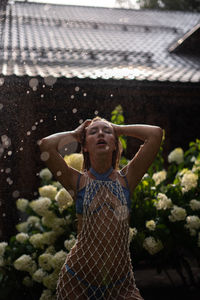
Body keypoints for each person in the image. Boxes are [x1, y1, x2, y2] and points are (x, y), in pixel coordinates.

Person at [39, 117, 163, 300]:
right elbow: (46, 145)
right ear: (85, 147)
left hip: (121, 284)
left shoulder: (127, 179)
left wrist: (119, 128)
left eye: (106, 131)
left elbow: (156, 134)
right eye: (93, 132)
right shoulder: (77, 182)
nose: (101, 134)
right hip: (77, 281)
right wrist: (75, 134)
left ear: (115, 145)